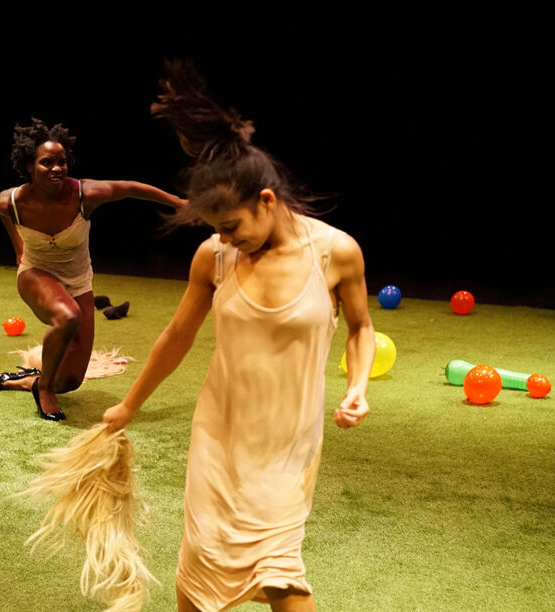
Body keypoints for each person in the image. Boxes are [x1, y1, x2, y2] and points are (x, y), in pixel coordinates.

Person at [102, 63, 376, 611]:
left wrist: (359, 385)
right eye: (217, 228)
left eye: (232, 226)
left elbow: (362, 328)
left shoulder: (335, 252)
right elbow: (177, 336)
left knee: (280, 573)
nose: (225, 237)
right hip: (219, 439)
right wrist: (128, 405)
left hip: (287, 446)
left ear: (267, 202)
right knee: (199, 574)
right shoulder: (217, 257)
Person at [0, 118, 186, 421]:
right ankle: (45, 392)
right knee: (68, 316)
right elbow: (2, 211)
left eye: (61, 162)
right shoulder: (13, 202)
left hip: (79, 283)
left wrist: (178, 202)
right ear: (30, 166)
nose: (57, 168)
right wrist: (19, 249)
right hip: (36, 275)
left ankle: (30, 380)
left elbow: (131, 188)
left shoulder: (84, 195)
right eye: (47, 162)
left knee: (70, 381)